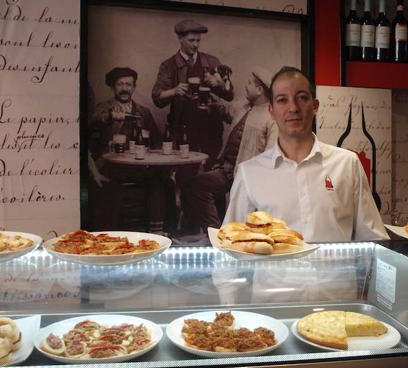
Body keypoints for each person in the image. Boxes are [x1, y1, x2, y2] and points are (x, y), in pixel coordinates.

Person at [223, 67, 388, 242]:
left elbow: (373, 239)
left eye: (301, 98)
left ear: (315, 106)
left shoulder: (347, 164)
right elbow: (230, 244)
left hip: (338, 271)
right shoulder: (249, 173)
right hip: (275, 272)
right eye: (282, 100)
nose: (293, 107)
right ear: (271, 111)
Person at [182, 69, 278, 234]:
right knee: (196, 185)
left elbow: (271, 154)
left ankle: (214, 234)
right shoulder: (244, 107)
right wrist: (212, 97)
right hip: (224, 168)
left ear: (260, 90)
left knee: (198, 186)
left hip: (243, 176)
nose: (245, 86)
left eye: (249, 84)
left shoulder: (271, 118)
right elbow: (226, 109)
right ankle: (215, 232)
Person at [88, 67, 165, 233]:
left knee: (162, 182)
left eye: (128, 85)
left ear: (134, 87)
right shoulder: (104, 108)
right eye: (120, 84)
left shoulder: (144, 112)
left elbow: (157, 142)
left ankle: (157, 233)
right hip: (110, 167)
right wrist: (110, 116)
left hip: (138, 167)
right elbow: (96, 119)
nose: (124, 88)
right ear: (113, 87)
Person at [152, 19, 234, 170]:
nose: (195, 45)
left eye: (198, 40)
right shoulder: (168, 65)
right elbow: (157, 97)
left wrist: (220, 85)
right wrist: (173, 90)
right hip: (183, 130)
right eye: (191, 40)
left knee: (211, 173)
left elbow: (230, 95)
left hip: (211, 129)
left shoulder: (212, 61)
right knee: (185, 173)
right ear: (180, 39)